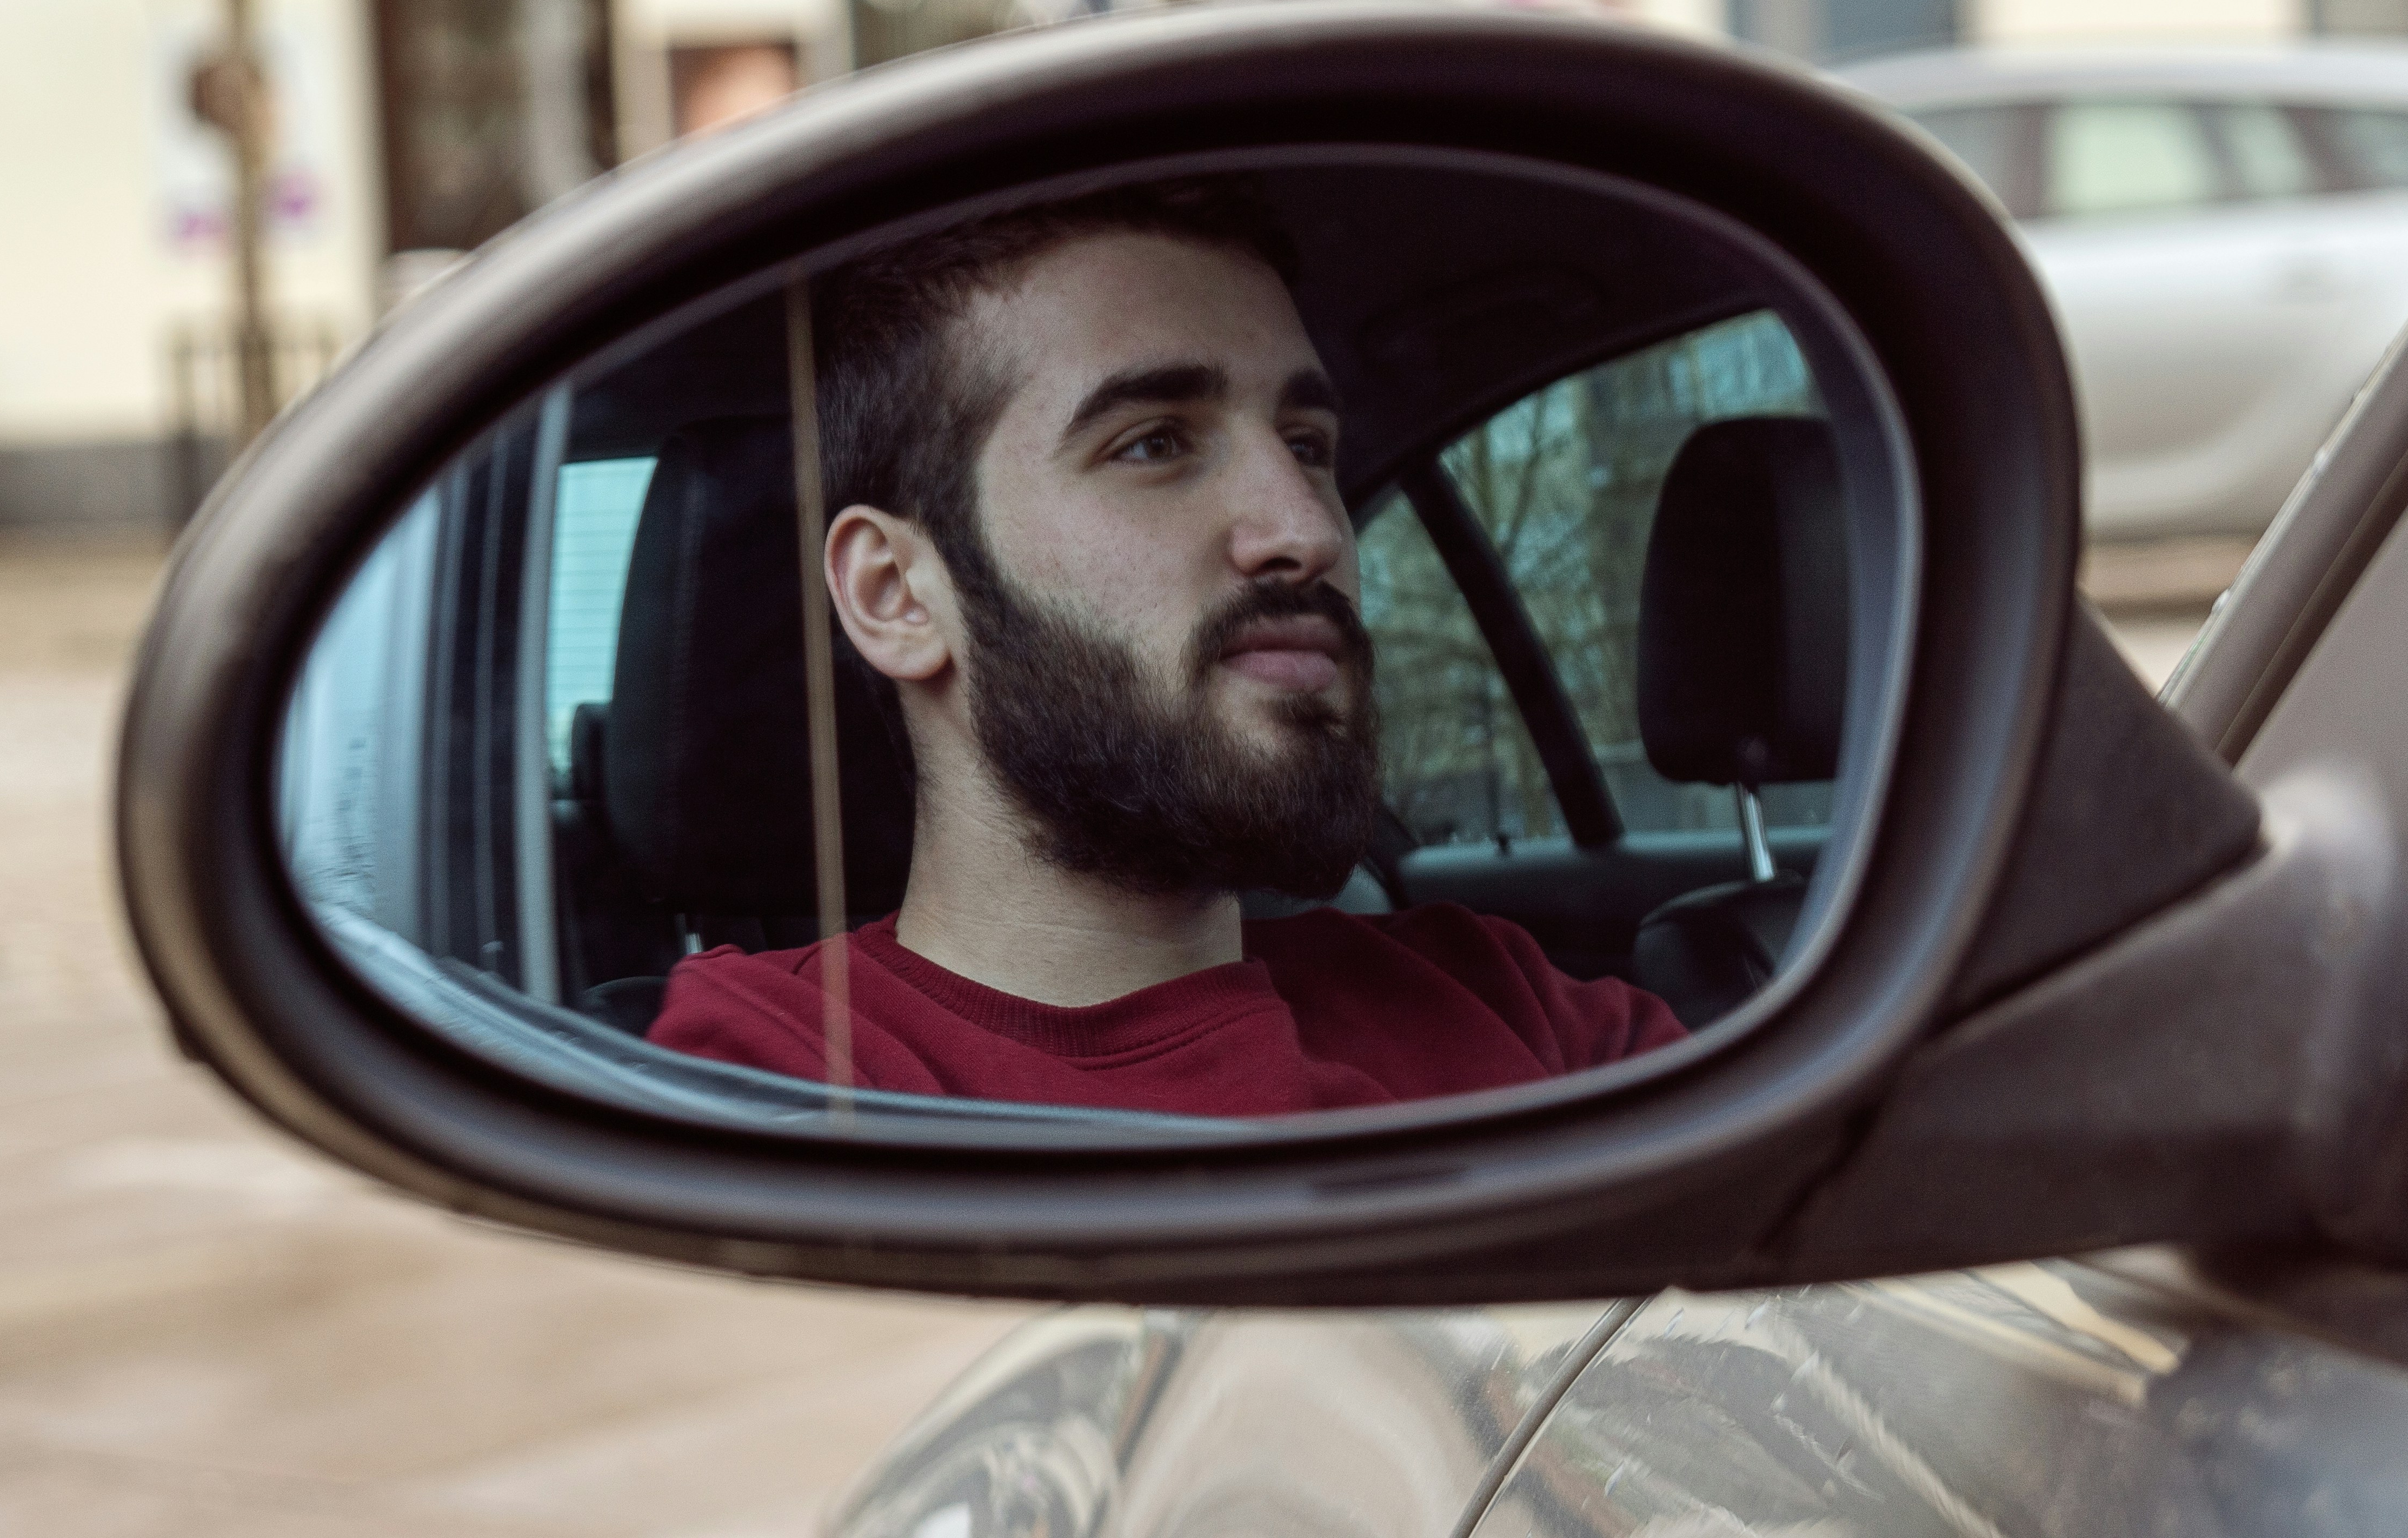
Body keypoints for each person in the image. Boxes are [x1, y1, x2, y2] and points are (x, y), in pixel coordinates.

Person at [643, 180, 1686, 1115]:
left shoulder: (1502, 1003)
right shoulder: (777, 1081)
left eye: (1309, 447)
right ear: (897, 596)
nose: (1309, 530)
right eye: (1153, 443)